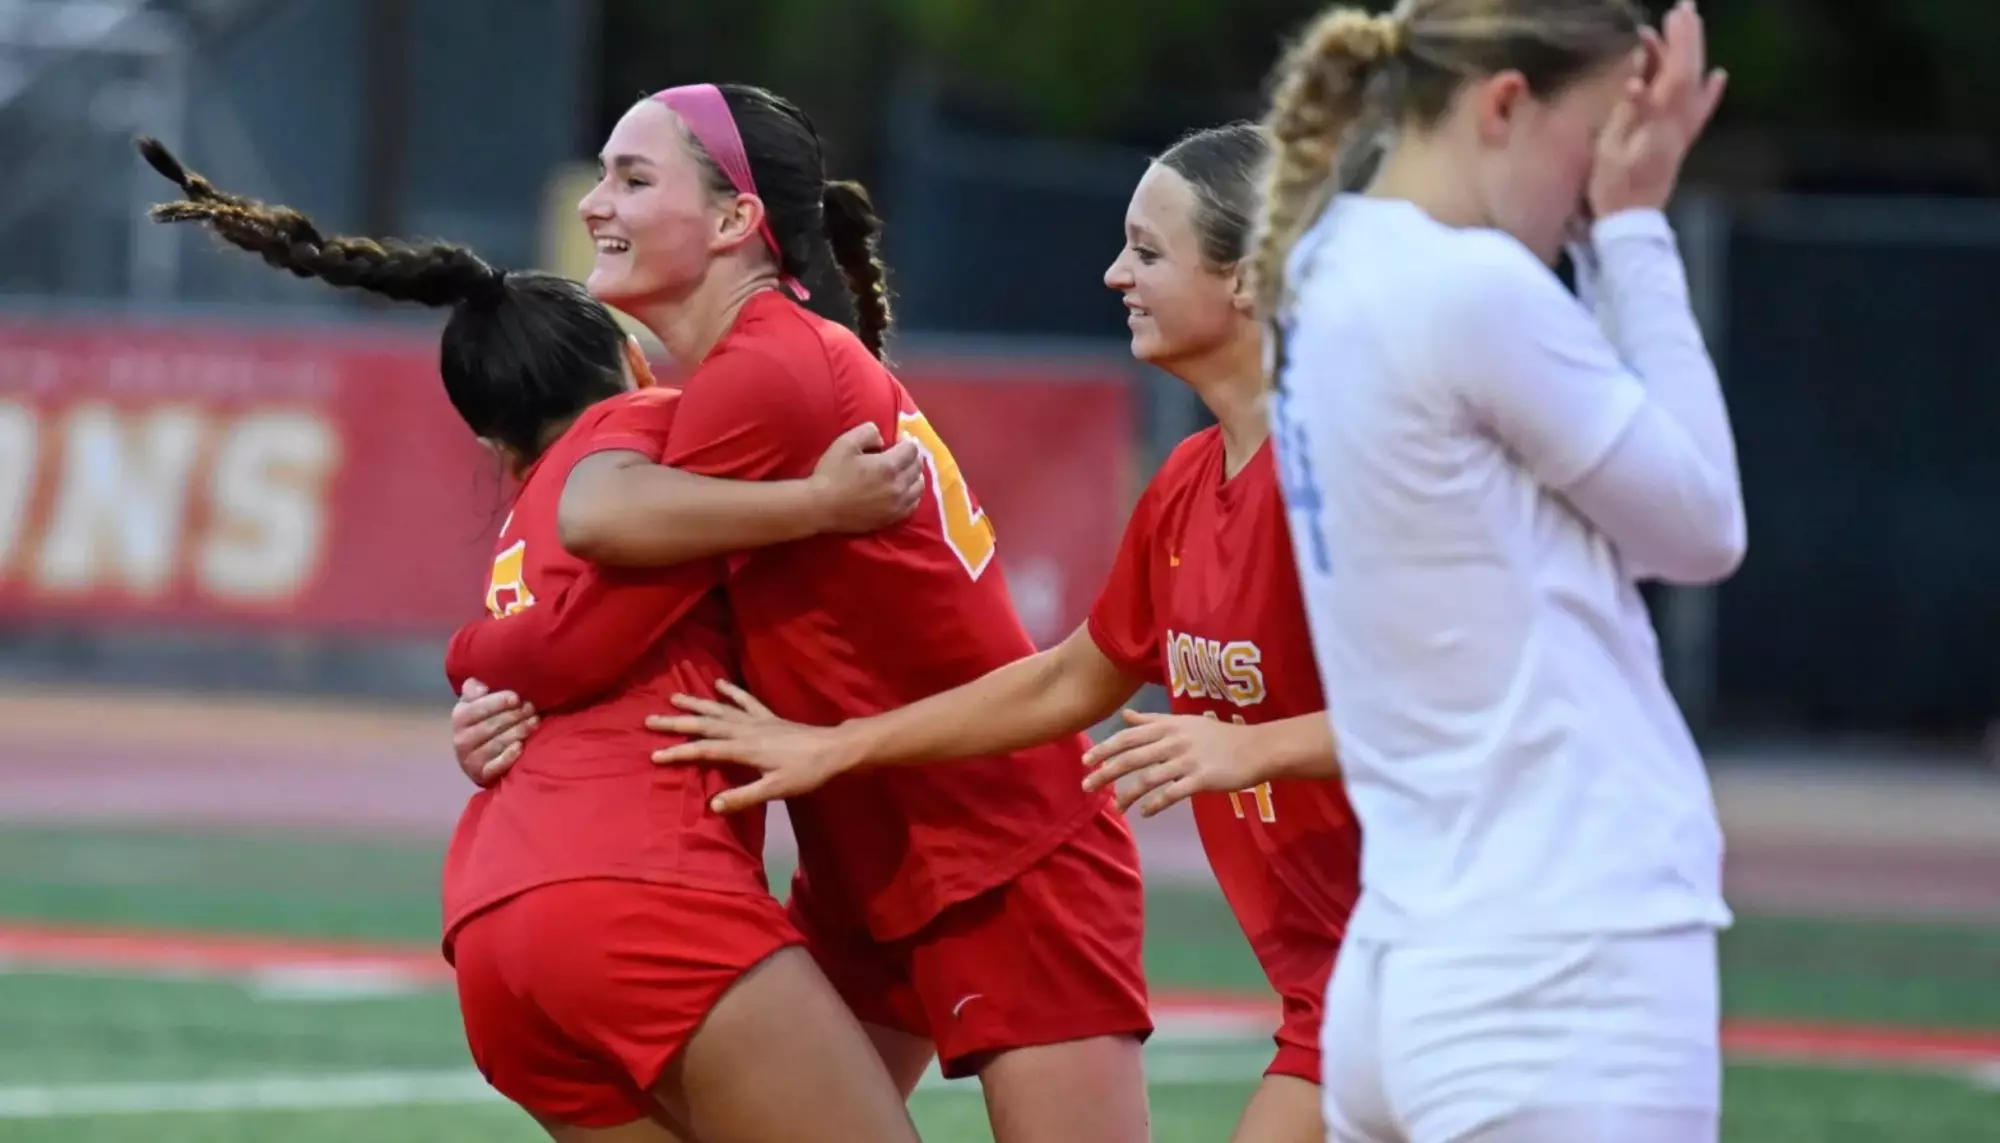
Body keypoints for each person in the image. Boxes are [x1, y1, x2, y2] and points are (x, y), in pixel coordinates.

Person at [134, 137, 927, 1143]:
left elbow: (558, 640)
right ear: (628, 361)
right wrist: (820, 499)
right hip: (639, 889)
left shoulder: (524, 522)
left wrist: (472, 658)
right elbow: (576, 641)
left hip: (495, 927)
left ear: (494, 443)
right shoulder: (655, 432)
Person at [441, 82, 1155, 1143]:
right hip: (869, 851)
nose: (595, 202)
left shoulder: (767, 368)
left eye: (633, 178)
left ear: (735, 219)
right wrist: (499, 701)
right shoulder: (745, 372)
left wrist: (475, 661)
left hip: (1002, 846)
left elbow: (586, 587)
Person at [641, 123, 1363, 1143]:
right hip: (1346, 985)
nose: (1115, 275)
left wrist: (1253, 747)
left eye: (1147, 251)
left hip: (1454, 963)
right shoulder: (1188, 484)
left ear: (1245, 278)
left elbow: (1487, 713)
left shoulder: (1346, 474)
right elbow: (1067, 680)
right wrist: (838, 745)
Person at [1249, 1, 1741, 1141]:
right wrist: (1633, 230)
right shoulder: (1470, 288)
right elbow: (1702, 526)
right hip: (1561, 958)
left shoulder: (1322, 267)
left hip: (1410, 953)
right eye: (1596, 136)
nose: (1598, 179)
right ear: (1505, 104)